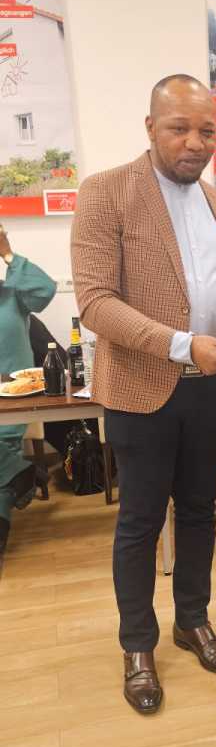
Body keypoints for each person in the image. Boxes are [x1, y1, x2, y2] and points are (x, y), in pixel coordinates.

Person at [71, 74, 216, 714]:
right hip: (140, 388)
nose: (195, 142)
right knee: (141, 521)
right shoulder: (105, 192)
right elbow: (96, 301)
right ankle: (138, 646)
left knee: (201, 510)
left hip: (212, 389)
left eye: (207, 130)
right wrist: (182, 344)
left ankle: (193, 621)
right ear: (151, 127)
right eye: (180, 128)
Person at [0, 226, 56, 560]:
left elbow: (45, 290)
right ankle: (18, 472)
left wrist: (8, 254)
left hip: (9, 401)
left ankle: (16, 472)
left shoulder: (12, 292)